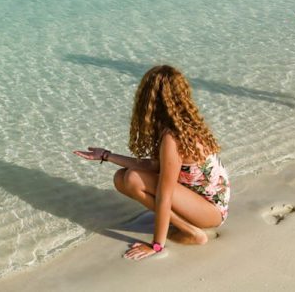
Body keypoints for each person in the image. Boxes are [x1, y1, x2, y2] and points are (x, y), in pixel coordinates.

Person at [73, 65, 230, 261]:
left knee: (132, 178)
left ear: (150, 100)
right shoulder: (182, 123)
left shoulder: (173, 138)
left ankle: (192, 232)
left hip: (210, 212)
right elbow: (155, 166)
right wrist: (106, 155)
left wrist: (156, 245)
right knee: (122, 177)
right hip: (203, 204)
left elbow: (165, 194)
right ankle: (186, 225)